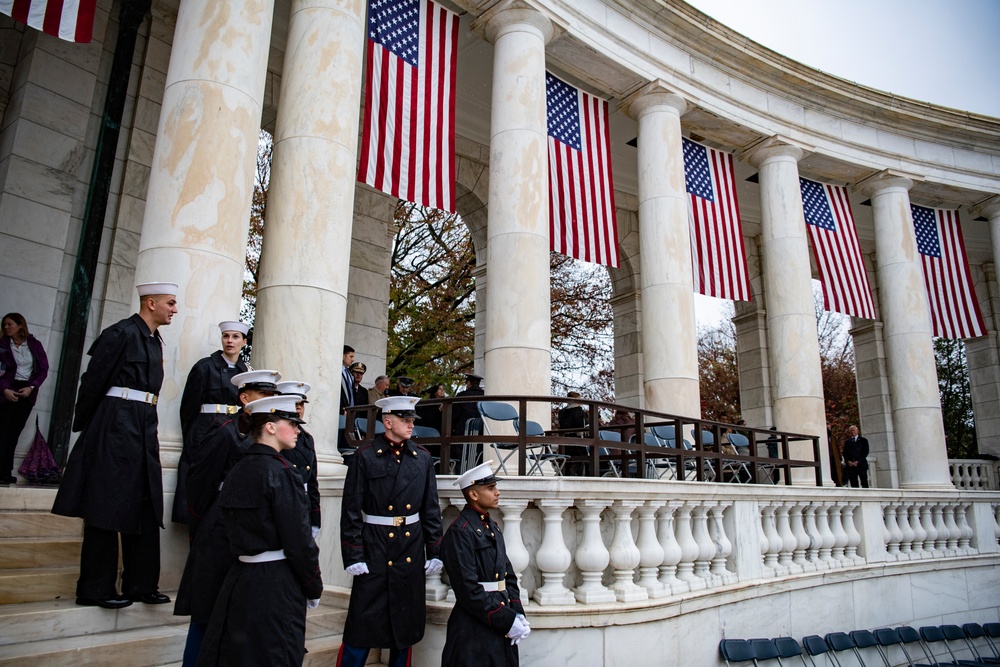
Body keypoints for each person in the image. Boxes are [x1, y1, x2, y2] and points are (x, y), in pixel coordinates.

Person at [52, 281, 178, 609]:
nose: (174, 309)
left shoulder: (155, 341)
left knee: (145, 502)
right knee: (106, 502)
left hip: (144, 425)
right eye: (170, 302)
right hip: (115, 424)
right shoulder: (119, 333)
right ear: (150, 303)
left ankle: (140, 584)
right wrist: (92, 428)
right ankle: (95, 588)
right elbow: (92, 382)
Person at [196, 395, 322, 666]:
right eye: (292, 422)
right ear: (271, 427)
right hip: (276, 584)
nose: (298, 429)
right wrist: (314, 586)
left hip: (240, 578)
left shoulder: (238, 469)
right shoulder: (283, 473)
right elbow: (299, 542)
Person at [174, 369, 281, 667]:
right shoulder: (224, 432)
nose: (270, 403)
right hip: (217, 530)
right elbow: (198, 485)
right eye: (264, 397)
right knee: (206, 613)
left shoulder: (269, 438)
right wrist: (204, 526)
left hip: (246, 538)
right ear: (245, 399)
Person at [338, 395, 443, 667]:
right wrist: (353, 554)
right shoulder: (365, 456)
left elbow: (430, 508)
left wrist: (435, 549)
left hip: (410, 545)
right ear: (387, 421)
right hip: (375, 545)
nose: (410, 425)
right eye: (404, 420)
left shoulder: (422, 458)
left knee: (405, 623)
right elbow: (351, 510)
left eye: (411, 420)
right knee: (362, 622)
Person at [441, 461, 529, 666]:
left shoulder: (491, 526)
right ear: (473, 494)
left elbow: (509, 576)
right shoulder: (461, 531)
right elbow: (468, 589)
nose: (497, 492)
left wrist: (516, 614)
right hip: (474, 627)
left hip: (499, 618)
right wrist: (505, 620)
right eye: (490, 488)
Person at [172, 321, 250, 525]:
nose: (230, 341)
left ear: (244, 341)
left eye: (235, 337)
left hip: (234, 430)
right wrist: (192, 437)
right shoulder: (205, 367)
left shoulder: (246, 372)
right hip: (206, 429)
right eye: (226, 336)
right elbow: (188, 408)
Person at [0, 312, 49, 484]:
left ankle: (5, 472)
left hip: (26, 392)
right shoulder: (2, 345)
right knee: (2, 432)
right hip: (5, 391)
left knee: (14, 433)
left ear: (20, 325)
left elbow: (43, 369)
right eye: (4, 325)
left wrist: (32, 387)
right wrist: (4, 388)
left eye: (10, 324)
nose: (6, 327)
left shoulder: (34, 345)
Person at [277, 380, 321, 537]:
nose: (298, 408)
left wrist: (315, 518)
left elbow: (312, 482)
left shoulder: (307, 439)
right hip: (284, 508)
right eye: (294, 403)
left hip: (304, 507)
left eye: (301, 404)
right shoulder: (276, 437)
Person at [558, 392, 588, 476]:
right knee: (580, 461)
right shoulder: (579, 411)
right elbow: (582, 427)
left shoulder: (562, 412)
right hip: (578, 441)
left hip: (565, 441)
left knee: (567, 462)